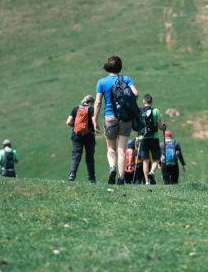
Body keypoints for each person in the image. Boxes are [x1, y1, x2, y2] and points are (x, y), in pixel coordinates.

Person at [94, 55, 138, 185]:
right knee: (122, 150)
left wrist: (94, 119)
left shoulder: (102, 82)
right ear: (120, 67)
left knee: (111, 149)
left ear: (107, 67)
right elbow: (135, 93)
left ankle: (112, 167)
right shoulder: (126, 79)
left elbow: (97, 102)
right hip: (125, 118)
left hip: (109, 117)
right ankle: (121, 178)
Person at [66, 95, 98, 182]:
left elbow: (68, 122)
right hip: (89, 135)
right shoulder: (91, 109)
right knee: (89, 157)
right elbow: (93, 120)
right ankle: (91, 178)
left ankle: (72, 174)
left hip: (76, 135)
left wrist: (75, 126)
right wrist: (96, 128)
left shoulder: (75, 108)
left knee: (76, 156)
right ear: (91, 102)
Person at [137, 94, 163, 185]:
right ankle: (152, 171)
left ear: (144, 101)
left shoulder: (139, 111)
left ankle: (147, 181)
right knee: (156, 158)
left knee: (145, 160)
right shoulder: (155, 111)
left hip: (143, 138)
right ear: (151, 102)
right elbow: (160, 127)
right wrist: (163, 128)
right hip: (154, 137)